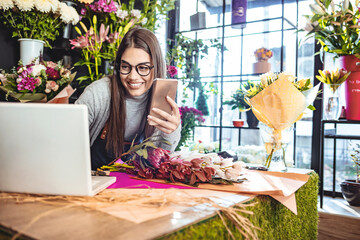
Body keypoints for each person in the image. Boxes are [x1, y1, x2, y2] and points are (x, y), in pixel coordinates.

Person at [76, 27, 181, 170]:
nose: (132, 76)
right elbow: (69, 141)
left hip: (139, 182)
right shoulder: (99, 93)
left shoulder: (164, 98)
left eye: (143, 68)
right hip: (94, 179)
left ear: (156, 67)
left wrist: (171, 131)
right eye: (126, 67)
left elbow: (162, 159)